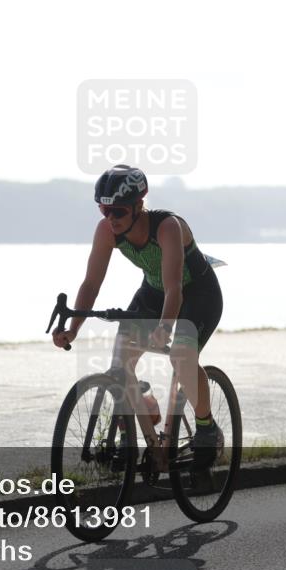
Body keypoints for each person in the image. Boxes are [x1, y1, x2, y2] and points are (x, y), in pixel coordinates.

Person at [52, 165, 224, 469]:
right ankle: (140, 419)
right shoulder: (107, 231)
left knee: (181, 356)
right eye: (104, 210)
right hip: (153, 292)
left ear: (138, 205)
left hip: (197, 294)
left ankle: (207, 427)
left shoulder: (167, 227)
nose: (111, 218)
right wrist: (74, 328)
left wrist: (164, 328)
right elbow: (91, 284)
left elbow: (174, 289)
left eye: (118, 211)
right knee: (121, 363)